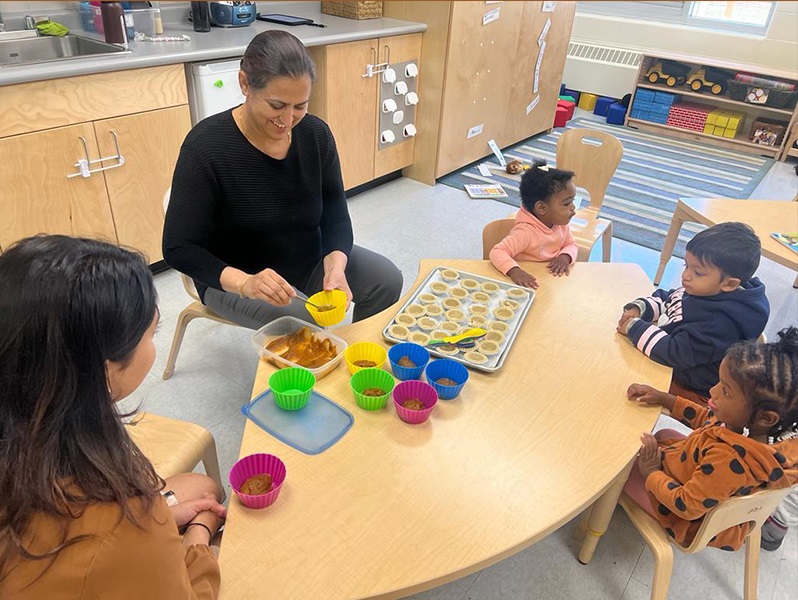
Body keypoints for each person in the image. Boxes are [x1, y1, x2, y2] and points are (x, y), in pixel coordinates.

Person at [0, 236, 225, 599]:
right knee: (207, 506)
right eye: (152, 333)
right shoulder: (125, 524)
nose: (154, 344)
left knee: (200, 487)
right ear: (104, 371)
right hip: (122, 546)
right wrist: (199, 534)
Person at [163, 30, 402, 330]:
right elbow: (178, 248)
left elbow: (336, 217)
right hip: (237, 276)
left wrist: (336, 265)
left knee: (386, 280)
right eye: (277, 105)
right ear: (244, 84)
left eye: (300, 106)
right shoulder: (205, 148)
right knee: (300, 323)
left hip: (307, 259)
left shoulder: (316, 135)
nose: (288, 120)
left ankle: (356, 362)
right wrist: (245, 282)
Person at [623, 327, 798, 551]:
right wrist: (665, 399)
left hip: (684, 518)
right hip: (695, 478)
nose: (712, 391)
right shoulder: (746, 427)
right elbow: (706, 418)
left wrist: (651, 472)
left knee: (623, 467)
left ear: (765, 417)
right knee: (664, 436)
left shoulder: (729, 460)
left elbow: (686, 505)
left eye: (726, 391)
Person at [617, 222, 769, 401]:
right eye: (686, 265)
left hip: (690, 384)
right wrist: (641, 308)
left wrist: (634, 327)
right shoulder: (705, 289)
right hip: (672, 356)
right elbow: (672, 299)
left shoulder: (721, 324)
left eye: (697, 272)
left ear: (729, 284)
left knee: (617, 382)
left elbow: (674, 353)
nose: (686, 275)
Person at [488, 159, 578, 289]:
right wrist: (514, 271)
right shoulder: (525, 232)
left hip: (550, 281)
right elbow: (497, 252)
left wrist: (564, 257)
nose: (573, 208)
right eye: (566, 203)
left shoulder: (560, 224)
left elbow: (571, 244)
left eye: (572, 201)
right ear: (541, 208)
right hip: (528, 283)